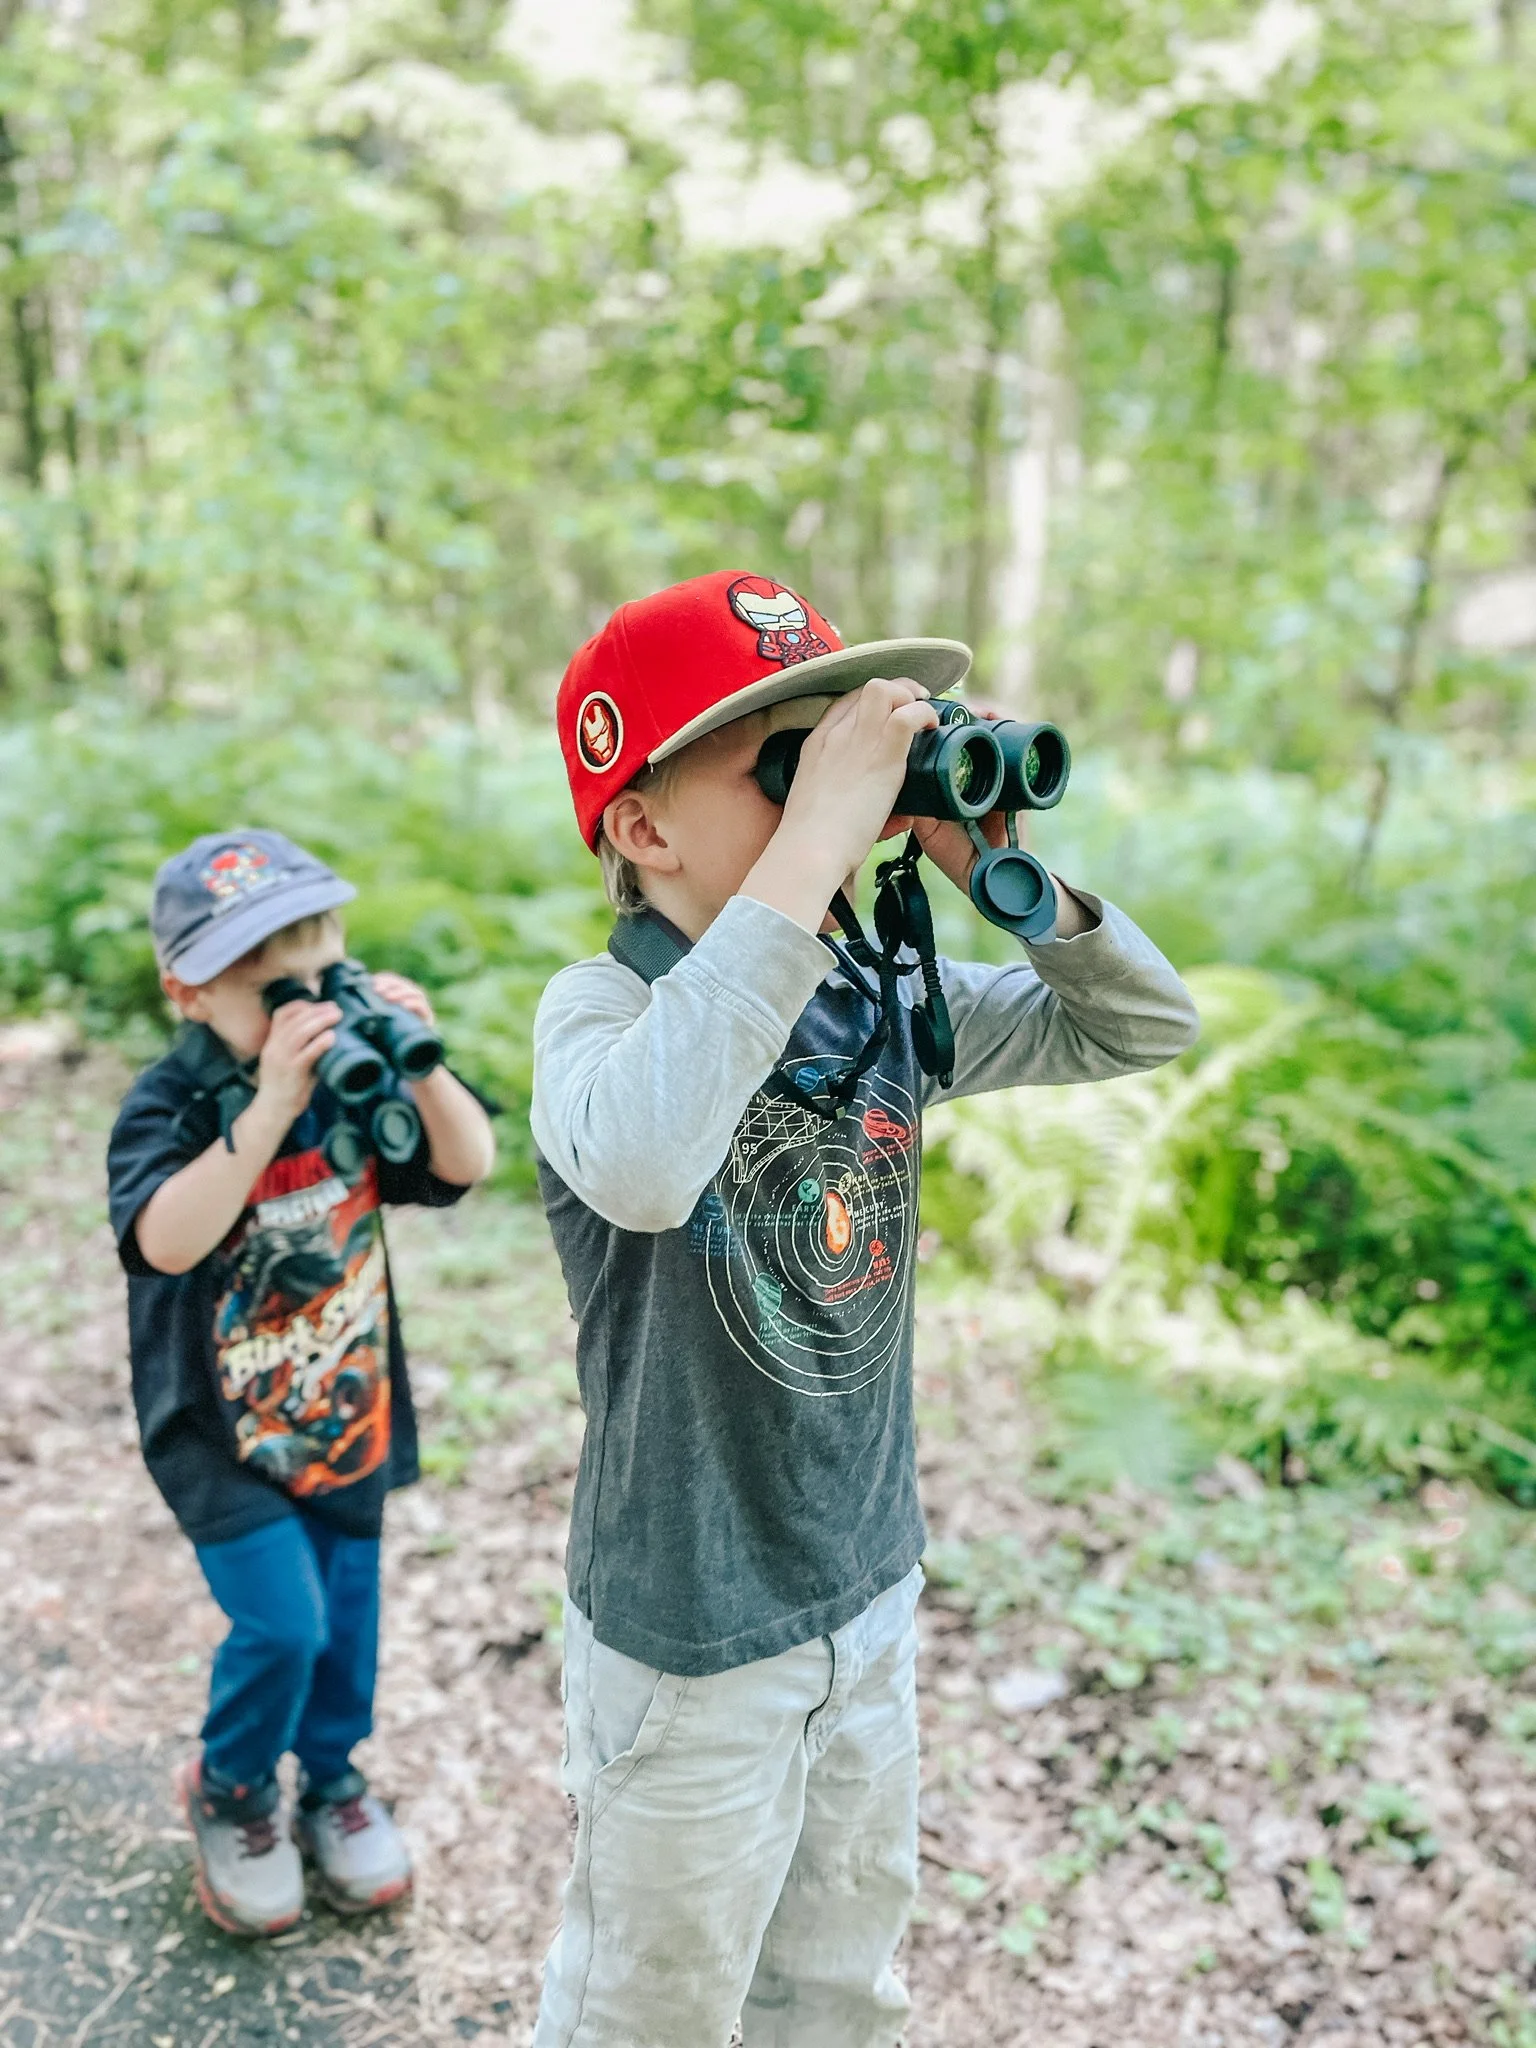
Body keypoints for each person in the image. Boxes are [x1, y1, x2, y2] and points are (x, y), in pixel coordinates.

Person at [529, 570, 1201, 2048]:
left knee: (837, 1991)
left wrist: (992, 863)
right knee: (651, 2011)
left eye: (843, 745)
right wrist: (815, 844)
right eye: (785, 762)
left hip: (865, 1588)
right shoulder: (601, 1016)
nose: (840, 784)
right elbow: (646, 1163)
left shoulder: (878, 991)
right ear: (642, 827)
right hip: (690, 1638)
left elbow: (1141, 1023)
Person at [106, 829, 495, 1937]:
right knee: (280, 1623)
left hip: (344, 1407)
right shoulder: (169, 1103)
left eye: (319, 964)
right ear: (187, 991)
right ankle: (231, 1788)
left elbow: (464, 1162)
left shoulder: (355, 1066)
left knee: (345, 1621)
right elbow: (168, 1240)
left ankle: (330, 1774)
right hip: (218, 1425)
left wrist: (418, 1055)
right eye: (264, 982)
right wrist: (266, 1106)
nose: (302, 1004)